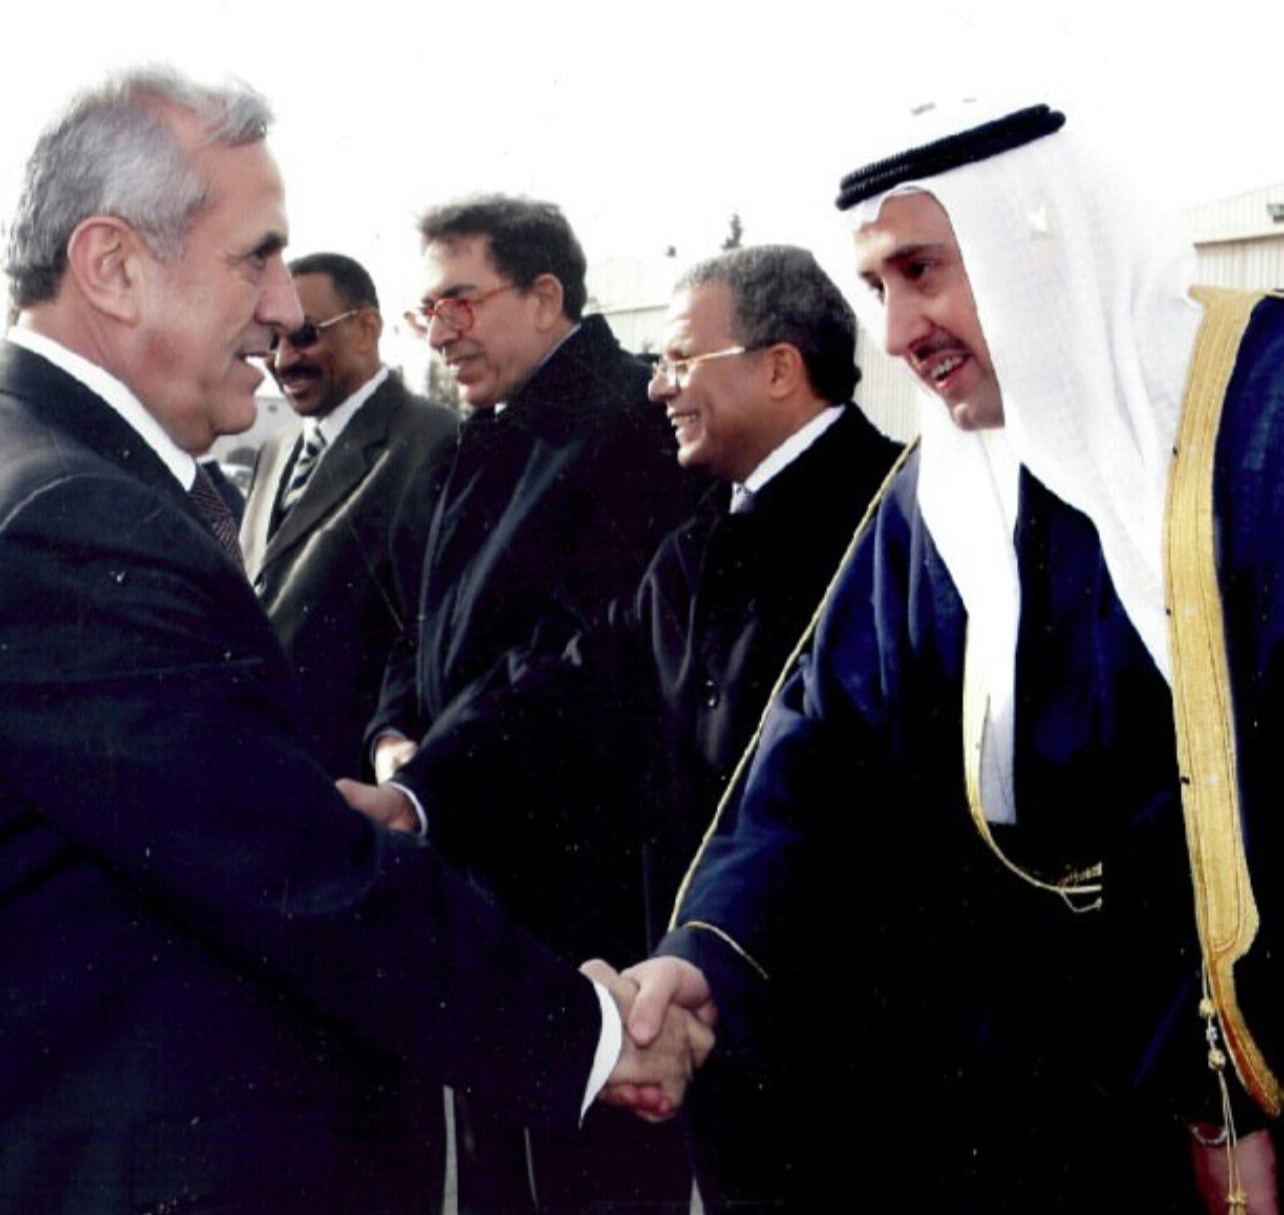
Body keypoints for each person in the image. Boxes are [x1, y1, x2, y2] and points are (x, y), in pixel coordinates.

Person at [0, 67, 710, 1215]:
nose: (285, 307)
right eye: (256, 258)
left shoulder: (45, 466)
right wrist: (588, 1034)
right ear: (113, 266)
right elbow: (293, 870)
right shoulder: (69, 514)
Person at [617, 103, 1284, 1212]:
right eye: (875, 286)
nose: (895, 331)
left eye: (921, 270)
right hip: (1043, 1094)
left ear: (1037, 241)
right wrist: (706, 954)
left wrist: (1238, 1092)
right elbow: (817, 747)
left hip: (1240, 1066)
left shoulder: (1257, 412)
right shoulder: (943, 488)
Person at [348, 245, 902, 1210]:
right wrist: (415, 797)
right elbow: (568, 685)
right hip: (721, 1026)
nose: (657, 388)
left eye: (681, 361)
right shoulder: (700, 541)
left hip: (863, 1045)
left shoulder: (895, 519)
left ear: (779, 367)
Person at [362, 194, 704, 1215]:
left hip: (578, 888)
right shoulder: (491, 426)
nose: (440, 332)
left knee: (588, 1179)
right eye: (429, 310)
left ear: (546, 295)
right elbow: (418, 623)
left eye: (459, 301)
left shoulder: (627, 425)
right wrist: (392, 734)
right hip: (478, 865)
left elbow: (575, 658)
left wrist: (424, 786)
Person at [241, 252, 457, 779]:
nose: (283, 360)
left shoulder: (433, 442)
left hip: (354, 783)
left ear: (367, 330)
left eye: (305, 335)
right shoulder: (275, 451)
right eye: (272, 340)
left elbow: (425, 636)